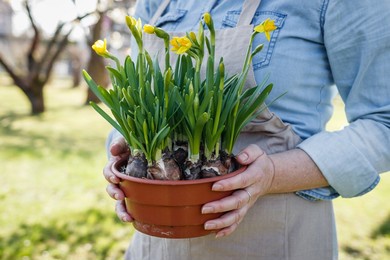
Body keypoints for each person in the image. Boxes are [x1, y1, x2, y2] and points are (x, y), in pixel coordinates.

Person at [102, 0, 390, 259]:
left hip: (273, 237)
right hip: (156, 244)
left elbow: (383, 123)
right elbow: (136, 96)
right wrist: (129, 153)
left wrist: (273, 174)